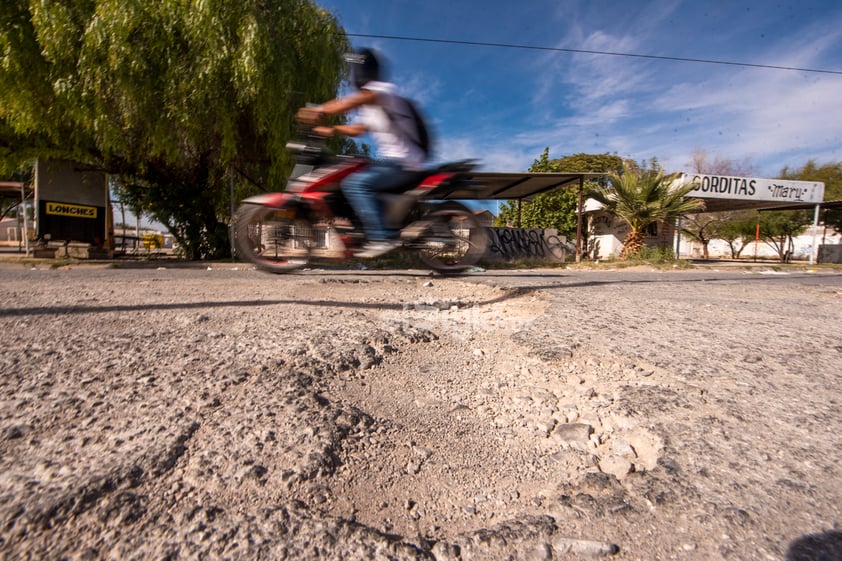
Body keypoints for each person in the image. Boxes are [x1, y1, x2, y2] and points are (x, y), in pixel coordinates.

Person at [296, 48, 428, 258]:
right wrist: (333, 130)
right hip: (389, 161)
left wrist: (320, 110)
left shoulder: (383, 90)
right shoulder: (372, 106)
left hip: (404, 162)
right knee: (349, 170)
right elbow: (358, 129)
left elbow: (353, 101)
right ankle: (364, 229)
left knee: (355, 183)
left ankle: (381, 237)